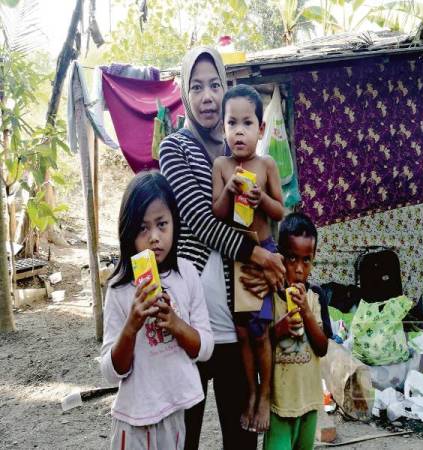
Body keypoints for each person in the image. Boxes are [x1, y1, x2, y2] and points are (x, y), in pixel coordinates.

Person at [159, 47, 285, 450]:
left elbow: (269, 216)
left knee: (241, 437)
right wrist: (257, 255)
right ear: (184, 92)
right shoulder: (175, 148)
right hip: (192, 318)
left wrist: (269, 263)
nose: (207, 96)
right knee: (186, 435)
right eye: (196, 87)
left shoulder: (244, 150)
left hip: (237, 316)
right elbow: (198, 220)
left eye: (215, 84)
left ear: (227, 88)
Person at [100, 171, 214, 450]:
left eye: (162, 224)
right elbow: (111, 372)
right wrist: (131, 325)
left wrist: (176, 323)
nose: (154, 237)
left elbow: (206, 348)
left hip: (175, 413)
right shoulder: (119, 288)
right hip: (134, 419)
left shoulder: (186, 274)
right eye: (142, 228)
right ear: (127, 232)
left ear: (174, 222)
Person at [212, 84, 285, 433]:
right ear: (223, 128)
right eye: (231, 123)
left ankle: (266, 395)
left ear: (260, 128)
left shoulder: (266, 164)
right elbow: (217, 211)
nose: (238, 131)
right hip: (238, 258)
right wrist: (229, 189)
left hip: (265, 254)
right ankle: (252, 393)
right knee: (242, 333)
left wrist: (260, 200)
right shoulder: (222, 165)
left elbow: (280, 211)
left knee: (261, 334)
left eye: (246, 123)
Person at [264, 213, 333, 450]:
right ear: (280, 258)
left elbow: (323, 348)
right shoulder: (270, 297)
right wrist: (279, 330)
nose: (299, 269)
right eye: (292, 259)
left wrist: (307, 314)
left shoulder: (316, 297)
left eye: (306, 260)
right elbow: (260, 344)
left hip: (309, 404)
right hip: (280, 404)